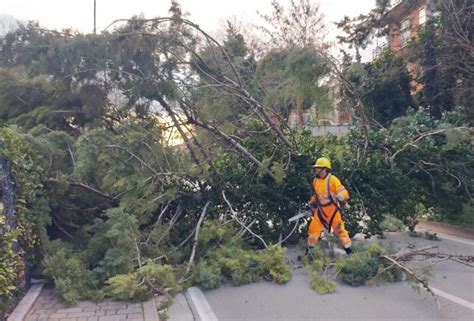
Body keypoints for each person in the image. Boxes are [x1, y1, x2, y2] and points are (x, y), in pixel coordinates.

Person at [307, 157, 352, 254]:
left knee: (340, 231)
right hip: (321, 211)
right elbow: (316, 195)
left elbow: (345, 192)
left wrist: (341, 196)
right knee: (313, 230)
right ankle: (310, 252)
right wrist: (311, 202)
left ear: (324, 169)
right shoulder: (315, 181)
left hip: (333, 210)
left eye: (318, 168)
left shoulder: (333, 180)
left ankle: (349, 251)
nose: (316, 169)